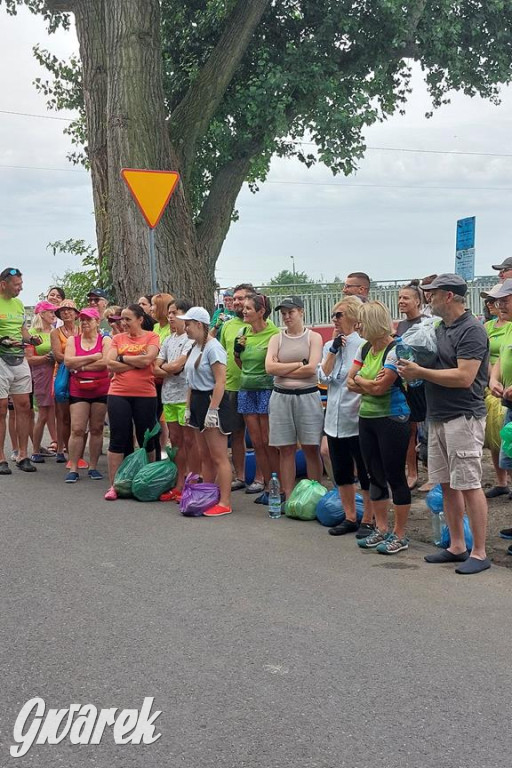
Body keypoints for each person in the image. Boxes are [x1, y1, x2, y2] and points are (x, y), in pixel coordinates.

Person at [399, 274, 491, 574]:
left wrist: (420, 372)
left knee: (469, 484)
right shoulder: (439, 327)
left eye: (433, 293)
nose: (428, 298)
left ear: (449, 296)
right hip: (437, 416)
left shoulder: (472, 329)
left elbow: (464, 377)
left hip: (463, 417)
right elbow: (431, 364)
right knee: (448, 484)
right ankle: (457, 545)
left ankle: (479, 552)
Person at [347, 300, 411, 554]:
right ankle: (381, 528)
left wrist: (362, 381)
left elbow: (380, 388)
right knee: (374, 474)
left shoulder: (396, 349)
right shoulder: (364, 348)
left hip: (392, 418)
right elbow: (349, 382)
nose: (358, 327)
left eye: (361, 323)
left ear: (373, 323)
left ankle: (400, 534)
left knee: (395, 475)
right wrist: (367, 381)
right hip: (367, 417)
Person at [318, 297, 374, 537]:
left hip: (357, 416)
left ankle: (369, 519)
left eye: (339, 315)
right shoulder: (330, 345)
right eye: (333, 315)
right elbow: (323, 377)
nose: (335, 319)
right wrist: (332, 351)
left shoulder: (364, 345)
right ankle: (350, 516)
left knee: (365, 471)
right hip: (334, 418)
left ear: (353, 316)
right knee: (341, 471)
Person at [265, 296, 324, 501]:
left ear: (301, 312)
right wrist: (299, 363)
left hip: (307, 395)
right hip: (281, 397)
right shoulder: (277, 339)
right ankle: (289, 495)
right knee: (286, 448)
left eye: (291, 312)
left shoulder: (313, 337)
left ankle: (314, 494)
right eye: (284, 314)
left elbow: (311, 369)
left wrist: (282, 368)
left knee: (311, 447)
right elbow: (269, 368)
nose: (287, 317)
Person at [104, 304, 160, 500]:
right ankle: (114, 485)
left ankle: (148, 481)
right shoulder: (118, 338)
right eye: (122, 319)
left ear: (140, 320)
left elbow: (148, 360)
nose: (124, 323)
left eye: (128, 319)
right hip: (118, 393)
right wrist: (135, 362)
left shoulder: (151, 337)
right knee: (118, 438)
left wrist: (122, 358)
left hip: (145, 394)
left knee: (146, 438)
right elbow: (109, 364)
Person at [182, 306, 234, 516]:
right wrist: (188, 408)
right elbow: (190, 382)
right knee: (204, 454)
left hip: (211, 401)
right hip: (197, 401)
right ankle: (208, 495)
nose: (185, 328)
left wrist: (213, 410)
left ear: (199, 325)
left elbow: (220, 381)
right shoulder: (194, 346)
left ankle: (225, 502)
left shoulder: (214, 348)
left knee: (219, 456)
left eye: (188, 324)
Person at [220, 282, 264, 494]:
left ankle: (261, 477)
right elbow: (222, 355)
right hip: (231, 386)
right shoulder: (227, 326)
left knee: (259, 437)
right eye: (235, 299)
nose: (237, 302)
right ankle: (240, 476)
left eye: (242, 299)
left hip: (256, 387)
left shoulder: (265, 326)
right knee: (236, 435)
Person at [236, 293, 280, 504]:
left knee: (267, 440)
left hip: (266, 389)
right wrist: (238, 352)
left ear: (261, 311)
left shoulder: (274, 334)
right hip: (246, 389)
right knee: (256, 442)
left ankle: (278, 485)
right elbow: (239, 361)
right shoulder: (243, 332)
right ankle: (266, 485)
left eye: (248, 308)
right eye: (243, 308)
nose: (243, 311)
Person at [0, 267, 43, 473]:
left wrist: (31, 339)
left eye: (21, 284)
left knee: (24, 405)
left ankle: (23, 454)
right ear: (3, 285)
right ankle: (1, 458)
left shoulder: (18, 304)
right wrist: (3, 340)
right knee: (1, 408)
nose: (20, 288)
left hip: (19, 357)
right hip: (1, 359)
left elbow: (22, 330)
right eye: (17, 285)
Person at [155, 299, 199, 501]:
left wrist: (167, 368)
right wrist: (169, 369)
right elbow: (155, 367)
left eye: (175, 312)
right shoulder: (167, 340)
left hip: (185, 397)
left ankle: (193, 483)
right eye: (169, 312)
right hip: (168, 397)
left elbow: (177, 366)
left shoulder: (190, 341)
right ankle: (179, 483)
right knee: (176, 441)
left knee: (190, 441)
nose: (171, 316)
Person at [63, 307, 111, 482]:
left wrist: (81, 366)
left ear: (97, 321)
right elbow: (68, 362)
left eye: (88, 319)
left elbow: (105, 362)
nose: (84, 323)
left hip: (100, 388)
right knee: (77, 428)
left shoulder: (105, 340)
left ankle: (93, 467)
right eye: (82, 320)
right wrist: (93, 357)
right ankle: (73, 467)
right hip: (78, 388)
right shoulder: (73, 340)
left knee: (97, 429)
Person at [481, 283, 512, 498]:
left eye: (505, 300)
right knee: (507, 454)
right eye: (497, 301)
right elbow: (502, 356)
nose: (499, 305)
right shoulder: (508, 328)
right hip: (507, 402)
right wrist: (493, 379)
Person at [397, 281, 427, 490]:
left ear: (417, 301)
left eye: (405, 298)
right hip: (406, 383)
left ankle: (433, 474)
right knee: (409, 430)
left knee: (428, 430)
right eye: (399, 297)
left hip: (424, 382)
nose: (401, 301)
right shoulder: (401, 325)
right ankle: (412, 473)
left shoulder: (427, 323)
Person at [26, 300, 59, 462]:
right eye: (51, 312)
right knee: (44, 412)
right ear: (42, 314)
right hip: (41, 374)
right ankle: (35, 450)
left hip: (56, 373)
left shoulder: (55, 331)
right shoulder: (31, 333)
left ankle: (58, 445)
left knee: (56, 410)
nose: (54, 315)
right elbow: (29, 359)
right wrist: (47, 357)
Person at [51, 299, 79, 462]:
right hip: (62, 373)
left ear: (76, 313)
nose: (66, 312)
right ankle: (66, 450)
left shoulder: (82, 329)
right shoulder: (55, 332)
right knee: (64, 415)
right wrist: (78, 360)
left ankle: (77, 451)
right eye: (62, 310)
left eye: (69, 310)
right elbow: (58, 355)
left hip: (81, 374)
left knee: (80, 415)